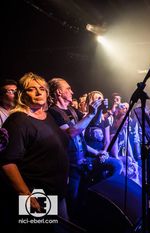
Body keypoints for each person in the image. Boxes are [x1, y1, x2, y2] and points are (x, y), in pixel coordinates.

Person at [0, 72, 69, 232]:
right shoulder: (18, 121)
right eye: (32, 89)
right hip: (38, 195)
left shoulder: (46, 116)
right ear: (22, 95)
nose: (38, 92)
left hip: (57, 192)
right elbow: (7, 162)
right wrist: (25, 194)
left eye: (42, 89)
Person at [47, 78, 122, 220]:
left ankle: (97, 195)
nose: (72, 91)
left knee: (115, 164)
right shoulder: (53, 113)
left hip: (85, 159)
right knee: (73, 202)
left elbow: (95, 121)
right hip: (70, 165)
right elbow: (71, 133)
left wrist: (99, 109)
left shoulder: (71, 110)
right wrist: (92, 113)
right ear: (59, 92)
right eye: (68, 89)